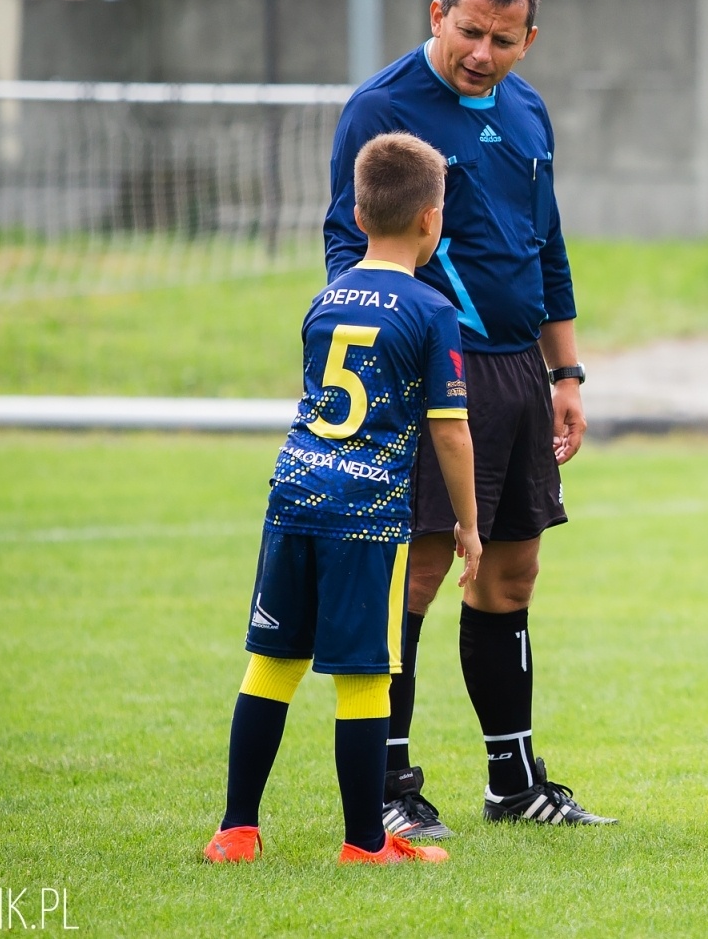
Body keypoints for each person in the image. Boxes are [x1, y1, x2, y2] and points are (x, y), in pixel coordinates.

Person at [323, 0, 611, 836]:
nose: (482, 53)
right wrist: (394, 358)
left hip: (521, 369)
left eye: (503, 39)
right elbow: (347, 245)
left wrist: (564, 374)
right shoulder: (382, 107)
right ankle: (389, 785)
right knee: (420, 568)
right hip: (431, 369)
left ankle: (514, 782)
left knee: (513, 570)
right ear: (440, 12)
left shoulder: (528, 110)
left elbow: (548, 248)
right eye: (470, 30)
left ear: (530, 38)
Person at [204, 132, 482, 866]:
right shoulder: (430, 308)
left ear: (359, 213)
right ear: (431, 219)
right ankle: (366, 842)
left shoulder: (325, 298)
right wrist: (469, 522)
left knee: (272, 663)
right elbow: (450, 432)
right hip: (364, 515)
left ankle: (237, 830)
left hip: (292, 497)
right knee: (365, 675)